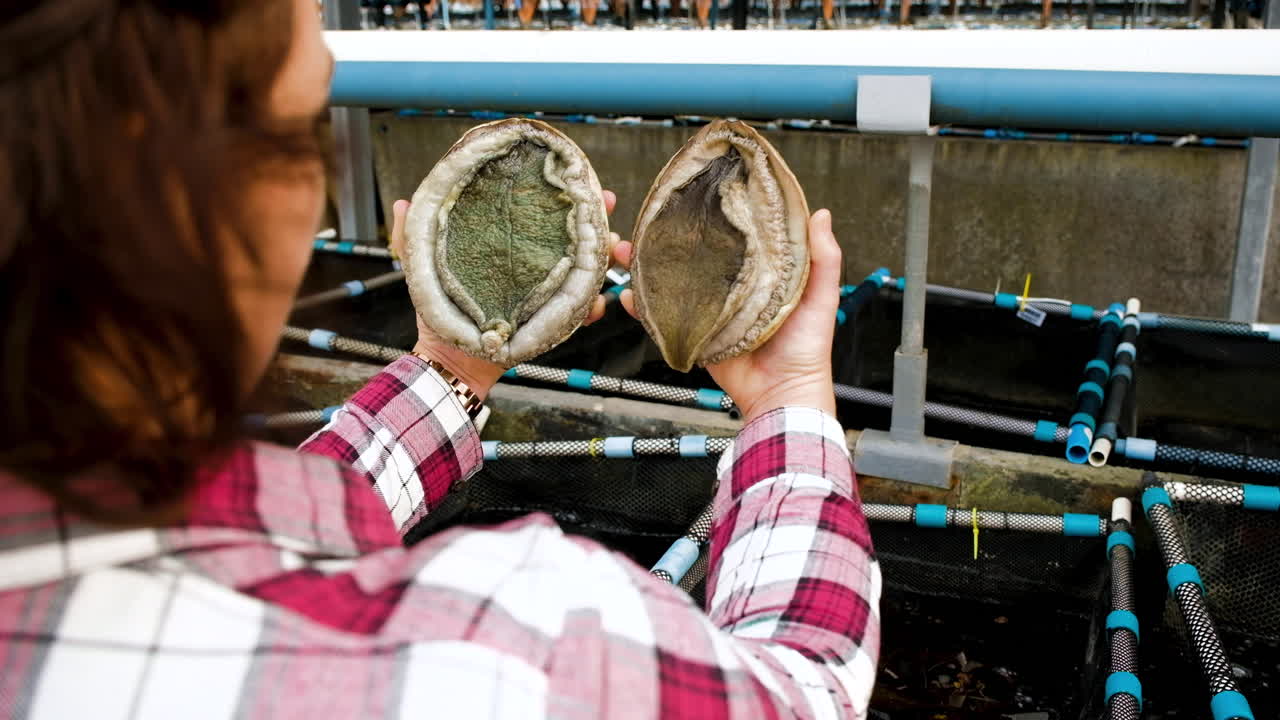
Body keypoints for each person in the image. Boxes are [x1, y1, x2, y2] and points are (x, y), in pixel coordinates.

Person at [0, 0, 880, 717]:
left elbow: (257, 527)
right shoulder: (511, 654)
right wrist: (791, 400)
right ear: (180, 198)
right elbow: (805, 690)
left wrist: (454, 365)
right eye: (303, 127)